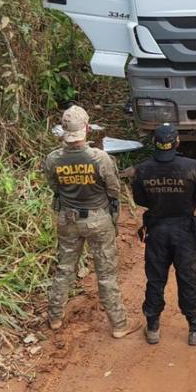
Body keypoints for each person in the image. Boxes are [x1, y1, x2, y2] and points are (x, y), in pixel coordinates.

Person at [41, 105, 129, 337]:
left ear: (63, 131)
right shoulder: (100, 158)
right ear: (87, 129)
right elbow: (113, 189)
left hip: (67, 219)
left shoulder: (53, 159)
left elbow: (54, 187)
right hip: (97, 219)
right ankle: (119, 324)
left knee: (64, 269)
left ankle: (55, 317)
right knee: (106, 274)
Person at [131, 122, 196, 346]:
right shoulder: (191, 166)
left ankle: (153, 327)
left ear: (154, 143)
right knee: (187, 278)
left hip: (156, 230)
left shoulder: (144, 169)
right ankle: (195, 327)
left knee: (155, 278)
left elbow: (140, 200)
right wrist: (187, 207)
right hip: (184, 230)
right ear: (177, 142)